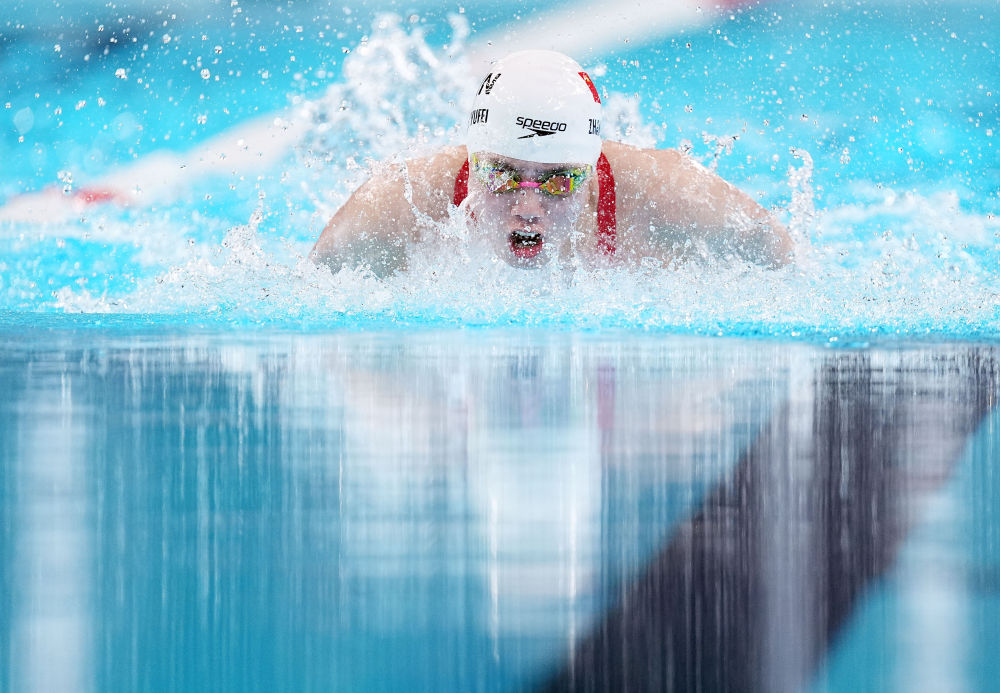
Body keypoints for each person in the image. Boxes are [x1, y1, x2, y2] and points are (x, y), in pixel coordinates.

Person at [310, 49, 794, 276]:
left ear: (589, 173)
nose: (528, 206)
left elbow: (783, 263)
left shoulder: (666, 193)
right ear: (474, 161)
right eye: (500, 174)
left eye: (559, 182)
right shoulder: (396, 206)